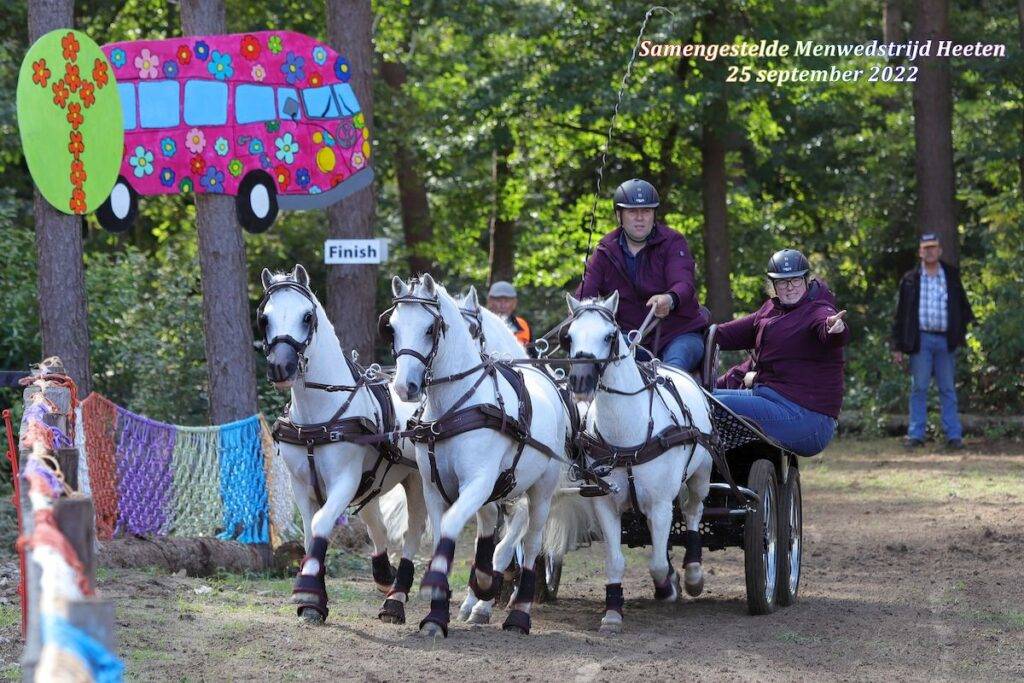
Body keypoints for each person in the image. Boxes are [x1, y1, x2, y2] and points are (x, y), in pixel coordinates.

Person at [712, 249, 850, 456]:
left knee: (707, 405)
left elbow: (829, 330)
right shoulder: (771, 310)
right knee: (700, 396)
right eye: (783, 282)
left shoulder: (818, 310)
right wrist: (691, 330)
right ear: (773, 285)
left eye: (796, 280)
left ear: (806, 280)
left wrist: (834, 328)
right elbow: (723, 334)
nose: (790, 287)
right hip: (769, 398)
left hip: (807, 418)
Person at [577, 178, 709, 371]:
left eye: (646, 211)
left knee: (671, 372)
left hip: (679, 335)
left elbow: (684, 283)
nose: (640, 217)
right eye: (632, 212)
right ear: (619, 215)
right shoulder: (605, 250)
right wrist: (578, 308)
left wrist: (669, 299)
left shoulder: (673, 241)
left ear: (654, 214)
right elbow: (585, 293)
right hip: (630, 339)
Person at [891, 233, 974, 450]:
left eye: (933, 247)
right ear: (920, 252)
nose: (929, 252)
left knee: (947, 388)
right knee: (919, 387)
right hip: (921, 340)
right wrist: (897, 346)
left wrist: (959, 333)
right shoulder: (910, 279)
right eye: (925, 248)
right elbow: (900, 315)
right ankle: (916, 435)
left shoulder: (951, 275)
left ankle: (953, 436)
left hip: (946, 340)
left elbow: (964, 308)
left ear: (940, 250)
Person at [486, 280, 532, 348]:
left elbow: (532, 353)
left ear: (514, 303)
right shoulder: (480, 324)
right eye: (498, 300)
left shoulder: (523, 325)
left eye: (507, 301)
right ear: (489, 301)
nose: (503, 305)